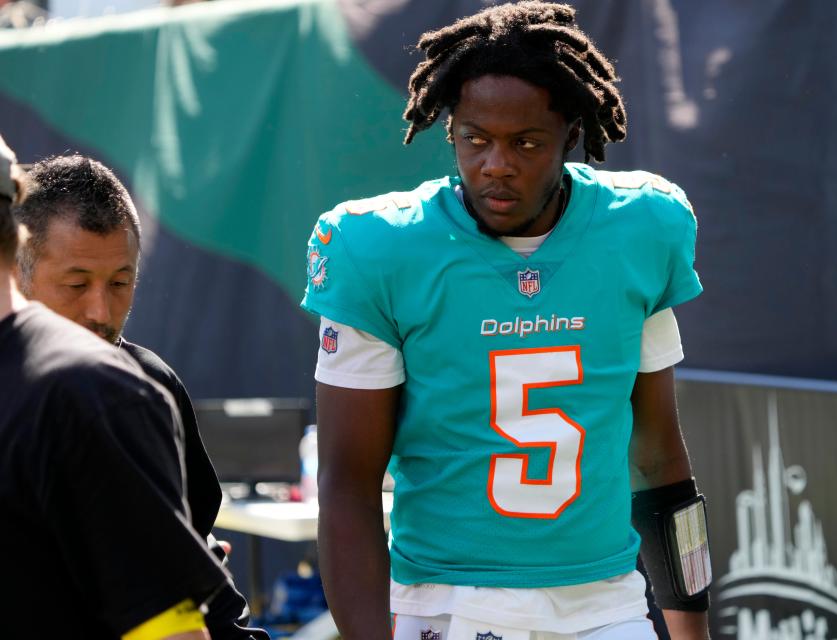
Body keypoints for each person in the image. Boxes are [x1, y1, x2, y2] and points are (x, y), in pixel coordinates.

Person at [301, 3, 711, 639]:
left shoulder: (642, 229)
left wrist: (691, 629)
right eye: (474, 139)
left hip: (605, 603)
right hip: (446, 602)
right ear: (450, 132)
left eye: (525, 142)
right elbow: (348, 484)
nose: (496, 164)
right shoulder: (377, 248)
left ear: (571, 134)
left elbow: (660, 459)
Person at [12, 153, 268, 640]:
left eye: (120, 282)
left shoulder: (146, 387)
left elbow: (193, 577)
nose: (100, 310)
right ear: (18, 272)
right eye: (76, 283)